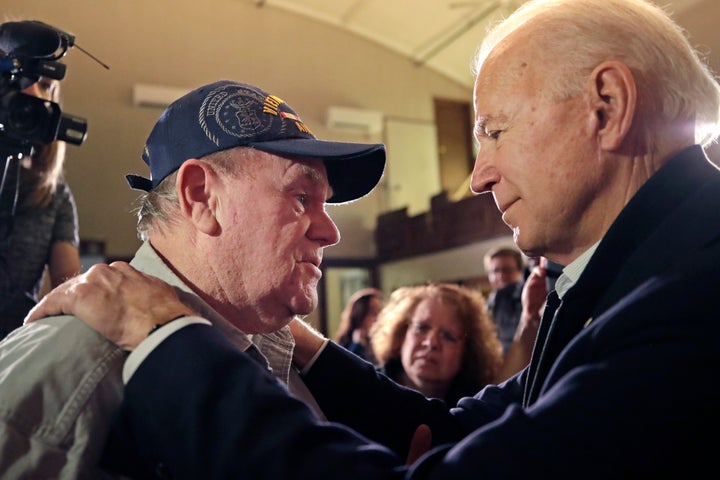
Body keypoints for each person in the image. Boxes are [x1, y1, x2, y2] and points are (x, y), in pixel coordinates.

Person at [25, 0, 720, 477]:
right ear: (202, 196)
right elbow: (453, 432)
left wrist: (167, 335)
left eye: (496, 130)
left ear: (607, 106)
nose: (478, 176)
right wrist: (290, 339)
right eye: (303, 198)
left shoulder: (691, 306)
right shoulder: (650, 276)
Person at [0, 79, 385, 478]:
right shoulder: (68, 368)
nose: (330, 232)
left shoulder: (287, 358)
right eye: (302, 197)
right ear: (201, 196)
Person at [0, 76, 81, 339]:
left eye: (46, 85)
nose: (34, 92)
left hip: (12, 349)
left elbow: (68, 288)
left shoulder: (55, 196)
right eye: (21, 80)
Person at [370, 283, 502, 405]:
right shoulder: (366, 390)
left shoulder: (475, 408)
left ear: (468, 351)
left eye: (447, 336)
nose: (431, 342)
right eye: (421, 328)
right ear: (401, 333)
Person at [334, 287, 384, 363]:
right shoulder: (345, 346)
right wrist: (357, 345)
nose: (379, 316)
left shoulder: (385, 342)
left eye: (380, 311)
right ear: (360, 315)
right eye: (373, 312)